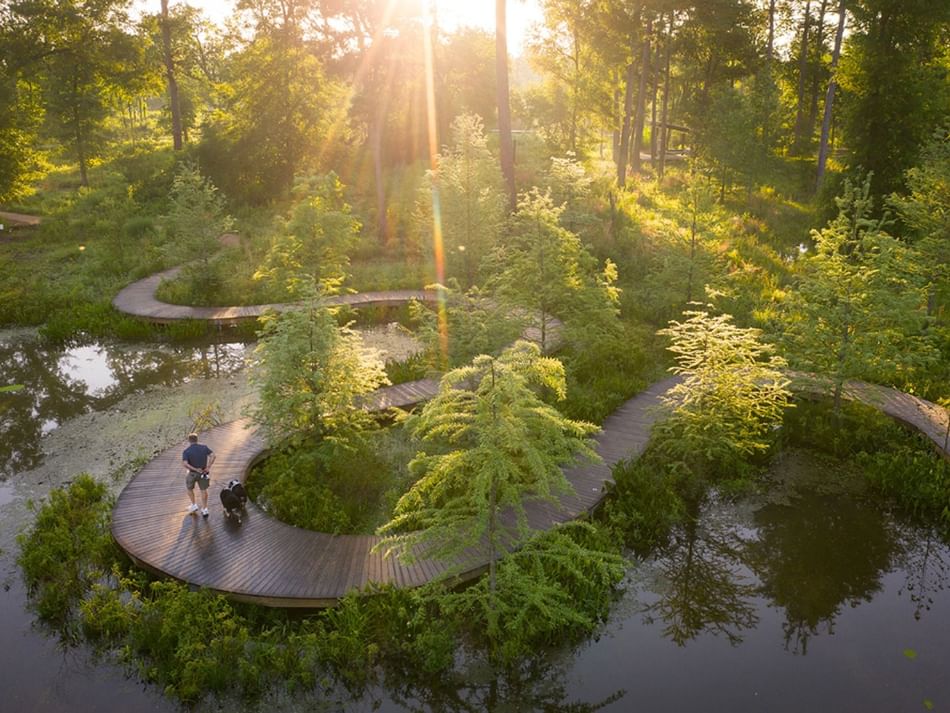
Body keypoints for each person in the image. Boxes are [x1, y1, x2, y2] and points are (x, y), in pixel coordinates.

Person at [182, 432, 215, 517]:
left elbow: (185, 464)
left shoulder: (186, 451)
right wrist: (208, 467)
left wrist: (195, 469)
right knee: (203, 490)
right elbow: (213, 456)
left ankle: (194, 505)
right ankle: (205, 509)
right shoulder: (204, 448)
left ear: (189, 441)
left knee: (189, 489)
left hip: (192, 474)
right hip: (204, 473)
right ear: (197, 439)